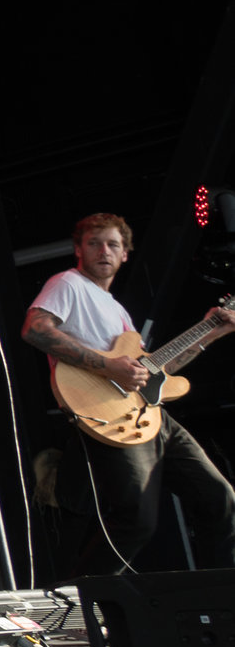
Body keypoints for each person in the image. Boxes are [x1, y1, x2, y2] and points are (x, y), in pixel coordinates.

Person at [22, 212, 235, 575]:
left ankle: (220, 595)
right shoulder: (68, 283)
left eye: (112, 245)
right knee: (136, 521)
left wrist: (211, 331)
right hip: (110, 412)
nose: (103, 251)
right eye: (94, 243)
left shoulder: (116, 308)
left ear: (124, 254)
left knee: (220, 498)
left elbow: (156, 371)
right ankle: (87, 597)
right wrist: (109, 367)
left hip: (150, 414)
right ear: (78, 250)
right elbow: (35, 330)